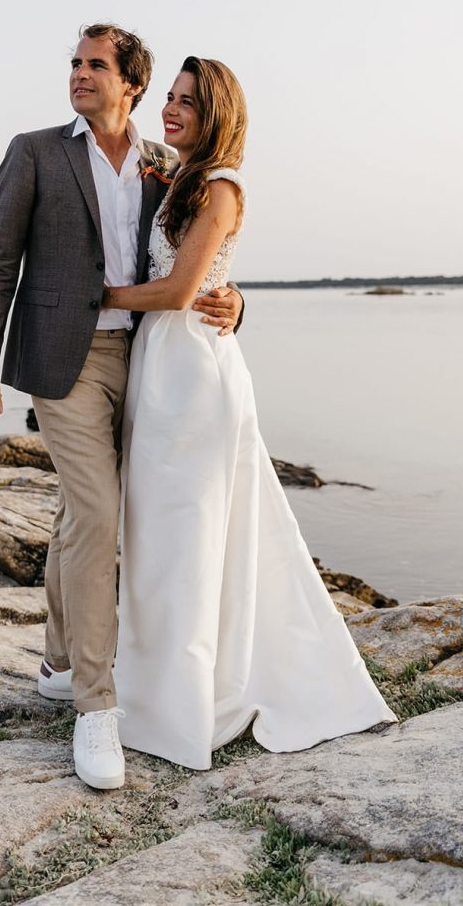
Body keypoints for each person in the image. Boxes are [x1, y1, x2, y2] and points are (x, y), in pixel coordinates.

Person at [0, 25, 243, 791]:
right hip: (63, 362)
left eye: (97, 65)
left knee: (79, 512)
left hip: (150, 363)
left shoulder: (165, 167)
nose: (80, 75)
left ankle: (57, 657)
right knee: (97, 511)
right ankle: (95, 702)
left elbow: (197, 261)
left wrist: (235, 301)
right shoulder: (34, 152)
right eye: (75, 63)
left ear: (132, 86)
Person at [102, 56, 397, 769]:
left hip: (197, 379)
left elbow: (178, 290)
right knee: (156, 540)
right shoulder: (170, 176)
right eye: (169, 99)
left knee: (191, 537)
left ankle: (187, 705)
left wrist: (100, 296)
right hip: (157, 370)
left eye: (188, 104)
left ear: (218, 115)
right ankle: (148, 690)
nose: (172, 111)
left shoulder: (223, 189)